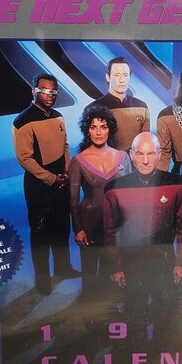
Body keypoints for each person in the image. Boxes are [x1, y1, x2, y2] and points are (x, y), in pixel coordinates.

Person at [103, 132, 182, 351]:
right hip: (131, 261)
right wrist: (116, 267)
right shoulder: (114, 188)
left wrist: (180, 263)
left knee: (164, 309)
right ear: (131, 155)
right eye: (140, 154)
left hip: (164, 259)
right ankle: (136, 351)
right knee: (134, 309)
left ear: (159, 155)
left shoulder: (179, 184)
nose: (145, 160)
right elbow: (110, 232)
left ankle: (159, 351)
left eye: (151, 154)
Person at [13, 73, 78, 295]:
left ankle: (63, 268)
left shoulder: (58, 117)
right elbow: (24, 158)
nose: (50, 95)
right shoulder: (23, 121)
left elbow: (66, 146)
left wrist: (67, 172)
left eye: (53, 91)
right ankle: (42, 281)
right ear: (34, 91)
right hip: (39, 187)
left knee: (61, 228)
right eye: (45, 91)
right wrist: (51, 178)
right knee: (40, 234)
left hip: (62, 182)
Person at [69, 105, 132, 297]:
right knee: (89, 278)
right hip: (89, 224)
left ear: (110, 129)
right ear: (87, 130)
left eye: (103, 127)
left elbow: (129, 194)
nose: (98, 132)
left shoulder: (123, 157)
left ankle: (110, 310)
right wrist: (78, 229)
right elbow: (73, 198)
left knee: (113, 273)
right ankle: (90, 311)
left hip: (116, 225)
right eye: (93, 127)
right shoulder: (78, 161)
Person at [86, 57, 150, 151]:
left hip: (135, 159)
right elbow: (89, 146)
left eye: (125, 75)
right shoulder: (93, 108)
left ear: (129, 77)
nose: (122, 80)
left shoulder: (142, 107)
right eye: (117, 75)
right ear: (108, 77)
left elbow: (145, 142)